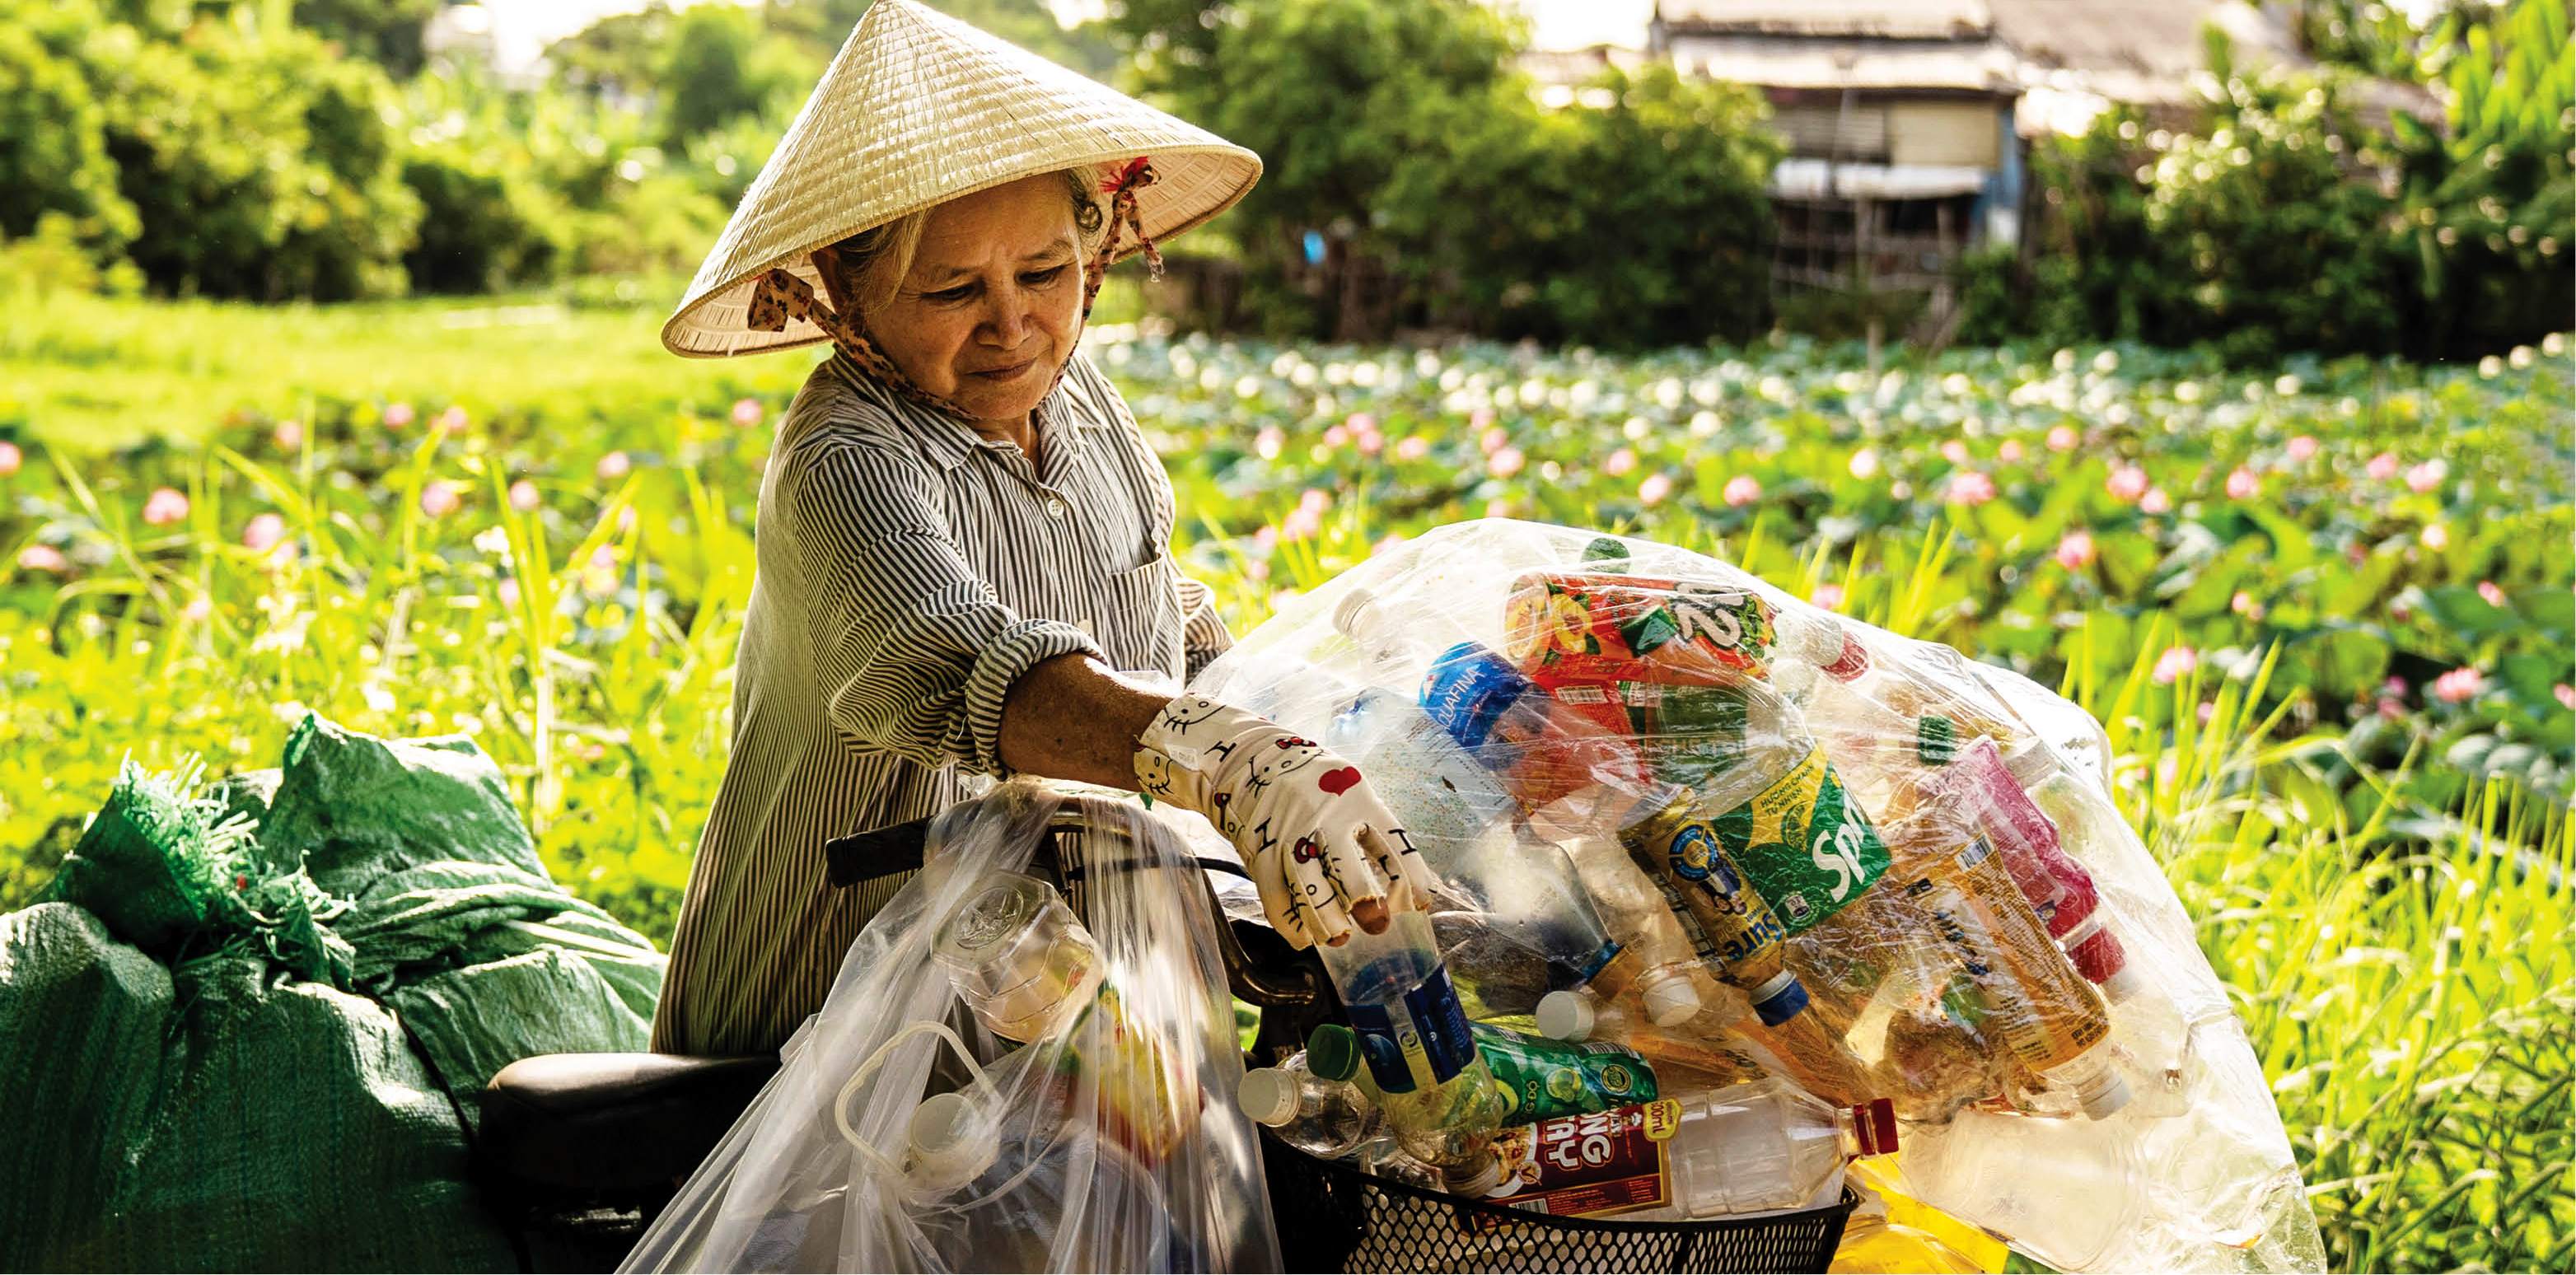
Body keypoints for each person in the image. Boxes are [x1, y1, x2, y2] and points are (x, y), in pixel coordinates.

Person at [650, 0, 1431, 1057]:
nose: (1014, 327)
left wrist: (1320, 725)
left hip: (1080, 1015)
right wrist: (1228, 759)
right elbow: (984, 676)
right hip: (838, 1036)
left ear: (1093, 248)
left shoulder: (1075, 394)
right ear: (844, 289)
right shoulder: (846, 461)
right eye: (953, 290)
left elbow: (1152, 606)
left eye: (1044, 274)